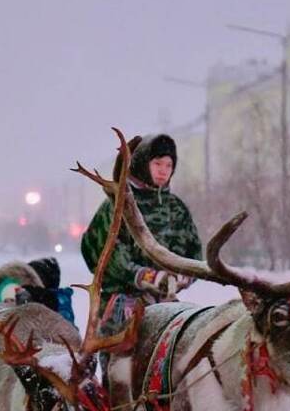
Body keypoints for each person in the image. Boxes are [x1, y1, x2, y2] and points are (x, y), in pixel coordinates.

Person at [81, 134, 202, 326]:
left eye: (169, 165)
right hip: (122, 307)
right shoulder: (119, 204)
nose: (164, 171)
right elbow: (110, 257)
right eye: (157, 164)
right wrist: (150, 278)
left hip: (165, 305)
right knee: (123, 353)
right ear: (143, 163)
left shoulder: (176, 208)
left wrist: (181, 277)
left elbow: (193, 253)